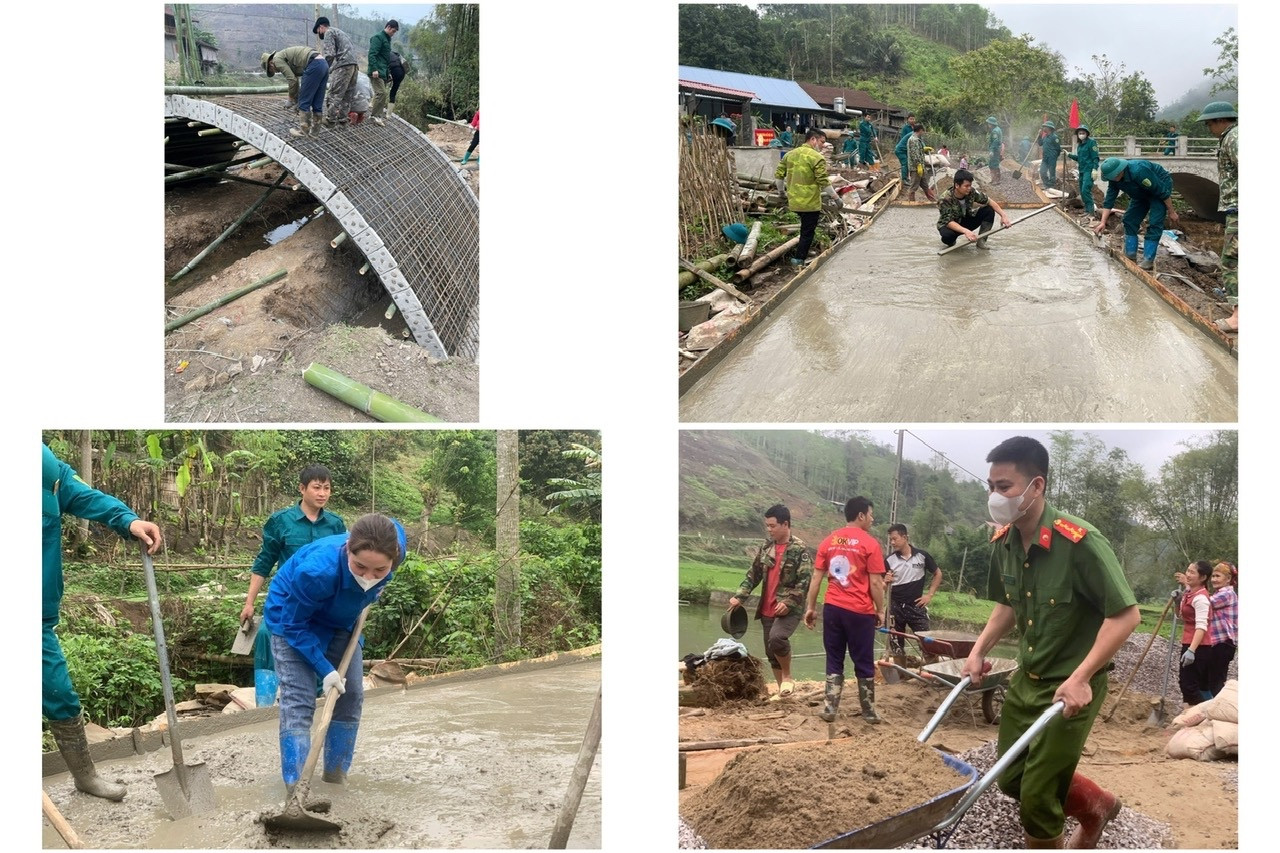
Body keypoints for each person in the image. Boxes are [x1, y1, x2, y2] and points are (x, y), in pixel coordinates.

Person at [961, 436, 1139, 849]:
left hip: (1071, 688)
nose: (995, 496)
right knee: (1011, 776)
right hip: (1027, 680)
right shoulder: (1004, 542)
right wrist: (977, 651)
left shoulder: (1081, 543)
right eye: (991, 486)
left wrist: (1082, 677)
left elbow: (1125, 614)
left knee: (1038, 797)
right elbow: (1007, 604)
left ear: (1036, 486)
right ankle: (1097, 803)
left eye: (1004, 487)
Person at [43, 444, 163, 801]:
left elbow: (81, 494)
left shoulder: (44, 465)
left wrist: (127, 519)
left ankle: (85, 776)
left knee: (58, 693)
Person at [265, 513, 406, 796]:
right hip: (292, 621)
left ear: (394, 558)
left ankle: (335, 777)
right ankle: (297, 790)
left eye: (380, 571)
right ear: (348, 548)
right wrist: (324, 669)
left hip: (341, 621)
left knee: (351, 694)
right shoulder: (318, 571)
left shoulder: (395, 543)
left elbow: (389, 530)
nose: (368, 577)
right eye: (360, 566)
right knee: (299, 699)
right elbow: (294, 625)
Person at [240, 465, 347, 706]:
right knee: (267, 635)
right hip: (286, 598)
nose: (322, 493)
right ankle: (265, 705)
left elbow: (345, 564)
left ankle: (319, 699)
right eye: (317, 487)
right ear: (302, 488)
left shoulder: (335, 525)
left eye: (327, 488)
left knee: (323, 639)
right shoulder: (281, 521)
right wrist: (249, 603)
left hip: (323, 601)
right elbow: (264, 562)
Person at [805, 497, 886, 724]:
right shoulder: (870, 544)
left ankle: (830, 708)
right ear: (860, 515)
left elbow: (816, 577)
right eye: (870, 514)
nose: (872, 518)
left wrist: (811, 608)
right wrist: (880, 610)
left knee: (834, 658)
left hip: (832, 608)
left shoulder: (829, 541)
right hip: (860, 611)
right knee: (863, 660)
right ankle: (868, 711)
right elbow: (877, 584)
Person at [728, 504, 810, 700]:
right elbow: (753, 574)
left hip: (789, 608)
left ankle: (788, 677)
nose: (769, 529)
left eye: (773, 525)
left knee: (777, 638)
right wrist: (739, 596)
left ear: (785, 524)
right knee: (771, 651)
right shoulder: (767, 547)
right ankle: (783, 691)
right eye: (768, 526)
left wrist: (789, 602)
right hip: (767, 607)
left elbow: (804, 582)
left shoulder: (799, 549)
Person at [1093, 157, 1179, 271]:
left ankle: (1148, 261)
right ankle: (1130, 255)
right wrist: (1103, 222)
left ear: (1120, 172)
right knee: (1129, 219)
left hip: (1158, 188)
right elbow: (1109, 200)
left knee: (1154, 222)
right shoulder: (1114, 179)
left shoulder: (1139, 171)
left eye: (1113, 177)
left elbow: (1162, 192)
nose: (1112, 179)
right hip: (1139, 192)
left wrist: (1172, 212)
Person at [1198, 101, 1238, 333]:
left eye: (1208, 124)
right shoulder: (1232, 137)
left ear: (1220, 120)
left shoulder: (1233, 138)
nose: (1208, 129)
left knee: (1232, 262)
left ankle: (1238, 317)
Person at [776, 128, 838, 267]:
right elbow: (823, 181)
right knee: (807, 232)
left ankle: (798, 252)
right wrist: (836, 197)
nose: (823, 146)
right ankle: (799, 260)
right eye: (822, 142)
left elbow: (779, 175)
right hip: (810, 203)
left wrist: (781, 193)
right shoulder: (817, 158)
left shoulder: (789, 155)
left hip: (794, 201)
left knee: (803, 229)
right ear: (813, 139)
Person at [883, 523, 942, 666]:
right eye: (891, 539)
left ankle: (934, 673)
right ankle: (900, 673)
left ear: (905, 537)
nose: (892, 543)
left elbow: (938, 573)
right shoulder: (889, 560)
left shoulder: (922, 556)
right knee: (896, 642)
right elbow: (881, 586)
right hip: (894, 607)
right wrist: (885, 580)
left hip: (916, 606)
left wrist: (930, 595)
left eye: (895, 539)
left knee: (927, 641)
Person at [262, 47, 330, 138]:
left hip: (314, 64)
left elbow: (292, 80)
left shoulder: (276, 60)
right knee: (317, 103)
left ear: (270, 64)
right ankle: (314, 133)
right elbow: (296, 80)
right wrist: (296, 99)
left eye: (271, 70)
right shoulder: (285, 57)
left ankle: (304, 131)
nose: (276, 71)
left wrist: (291, 99)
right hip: (323, 65)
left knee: (304, 102)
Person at [936, 168, 1012, 250]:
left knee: (988, 210)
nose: (969, 188)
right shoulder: (945, 199)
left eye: (970, 185)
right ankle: (951, 242)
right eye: (966, 186)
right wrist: (966, 231)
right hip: (950, 225)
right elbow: (948, 222)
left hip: (966, 219)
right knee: (947, 237)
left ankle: (981, 242)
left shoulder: (971, 192)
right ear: (957, 185)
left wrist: (1003, 215)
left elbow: (989, 201)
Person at [1176, 561, 1216, 706]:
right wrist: (1177, 601)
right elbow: (1180, 616)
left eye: (1192, 572)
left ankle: (1200, 714)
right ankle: (1192, 713)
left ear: (1203, 577)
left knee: (1189, 685)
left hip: (1199, 646)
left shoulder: (1201, 599)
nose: (1188, 574)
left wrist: (1192, 650)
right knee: (1186, 683)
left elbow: (1201, 627)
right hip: (1189, 642)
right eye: (1188, 570)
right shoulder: (1189, 594)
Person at [313, 17, 358, 128]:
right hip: (354, 66)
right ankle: (342, 120)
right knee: (347, 94)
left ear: (321, 27)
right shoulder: (340, 32)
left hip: (343, 65)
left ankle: (330, 120)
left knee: (334, 93)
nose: (320, 34)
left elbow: (330, 54)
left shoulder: (329, 32)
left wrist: (324, 69)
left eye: (318, 31)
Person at [1206, 561, 1237, 696]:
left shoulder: (1226, 594)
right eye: (1213, 576)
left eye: (1218, 576)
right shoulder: (1220, 593)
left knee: (1216, 680)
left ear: (1228, 579)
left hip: (1223, 643)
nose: (1214, 579)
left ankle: (1217, 707)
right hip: (1218, 643)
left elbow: (1206, 603)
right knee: (1210, 678)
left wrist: (1190, 588)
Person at [368, 19, 400, 126]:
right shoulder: (378, 37)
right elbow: (372, 54)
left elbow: (385, 59)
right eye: (393, 31)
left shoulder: (387, 39)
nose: (393, 34)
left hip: (383, 71)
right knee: (381, 93)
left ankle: (377, 116)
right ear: (389, 27)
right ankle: (374, 116)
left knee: (382, 94)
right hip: (376, 71)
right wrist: (374, 69)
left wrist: (388, 72)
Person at [1067, 125, 1100, 217]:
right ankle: (1087, 210)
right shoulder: (1080, 145)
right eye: (1079, 133)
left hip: (1089, 170)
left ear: (1087, 134)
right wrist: (1069, 155)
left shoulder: (1091, 143)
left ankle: (1091, 212)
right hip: (1081, 170)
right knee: (1082, 191)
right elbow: (1080, 158)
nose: (1081, 135)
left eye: (1083, 133)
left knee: (1086, 190)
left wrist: (1095, 169)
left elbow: (1095, 157)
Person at [906, 123, 935, 202]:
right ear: (920, 130)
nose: (923, 133)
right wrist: (918, 164)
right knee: (913, 187)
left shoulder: (917, 140)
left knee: (925, 186)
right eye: (923, 131)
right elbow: (914, 154)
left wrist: (924, 149)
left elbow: (917, 151)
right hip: (915, 168)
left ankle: (934, 202)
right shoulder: (913, 140)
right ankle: (912, 203)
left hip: (920, 167)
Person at [1038, 121, 1062, 190]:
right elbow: (1040, 143)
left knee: (1052, 172)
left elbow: (1058, 149)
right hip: (1045, 158)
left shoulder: (1055, 137)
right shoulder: (1045, 137)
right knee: (1042, 171)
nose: (1043, 128)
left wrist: (1054, 156)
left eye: (1045, 127)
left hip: (1052, 157)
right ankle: (1047, 185)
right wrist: (1039, 136)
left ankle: (1051, 186)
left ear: (1049, 128)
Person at [896, 113, 916, 186]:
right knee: (905, 164)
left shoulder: (915, 128)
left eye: (913, 119)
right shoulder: (905, 128)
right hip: (903, 148)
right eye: (911, 119)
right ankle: (904, 179)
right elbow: (904, 139)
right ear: (907, 119)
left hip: (908, 150)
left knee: (908, 164)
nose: (912, 120)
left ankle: (907, 177)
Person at [985, 116, 1004, 184]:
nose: (988, 125)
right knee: (995, 164)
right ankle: (995, 180)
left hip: (995, 150)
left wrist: (992, 150)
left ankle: (995, 180)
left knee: (993, 165)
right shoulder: (998, 129)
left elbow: (995, 141)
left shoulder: (995, 131)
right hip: (997, 149)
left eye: (988, 123)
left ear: (991, 124)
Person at [387, 50, 406, 116]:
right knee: (393, 92)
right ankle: (388, 114)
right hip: (402, 72)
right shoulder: (396, 54)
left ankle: (373, 104)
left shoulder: (384, 54)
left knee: (381, 88)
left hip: (394, 70)